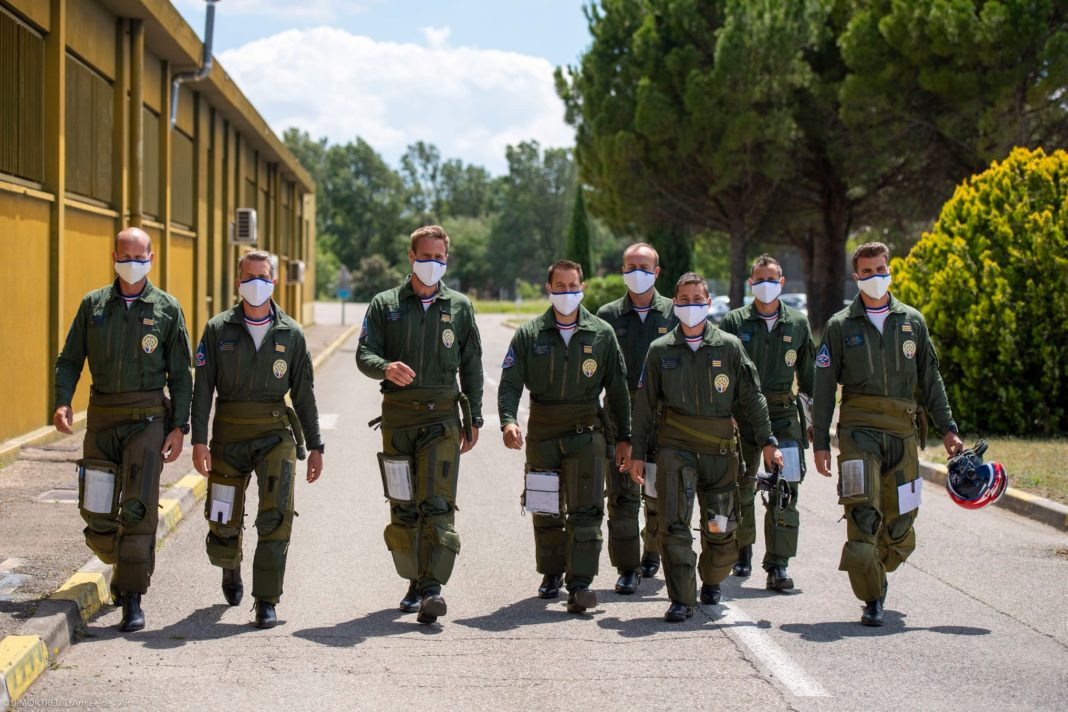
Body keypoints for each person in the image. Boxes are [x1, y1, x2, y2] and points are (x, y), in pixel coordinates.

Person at [813, 241, 963, 627]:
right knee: (862, 510)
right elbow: (824, 387)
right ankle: (872, 597)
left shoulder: (912, 321)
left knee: (902, 521)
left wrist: (948, 429)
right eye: (867, 271)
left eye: (881, 269)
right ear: (856, 277)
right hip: (858, 433)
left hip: (902, 432)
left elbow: (931, 380)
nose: (876, 277)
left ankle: (877, 566)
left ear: (889, 270)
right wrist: (821, 442)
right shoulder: (839, 326)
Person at [54, 227, 192, 632]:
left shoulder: (167, 309)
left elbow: (181, 375)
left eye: (140, 257)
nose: (133, 263)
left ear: (152, 258)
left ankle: (132, 596)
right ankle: (123, 562)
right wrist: (63, 401)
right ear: (114, 256)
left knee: (137, 509)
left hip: (147, 422)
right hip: (102, 419)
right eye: (126, 256)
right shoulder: (93, 305)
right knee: (96, 513)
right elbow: (69, 359)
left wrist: (179, 426)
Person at [630, 272, 782, 622]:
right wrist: (638, 453)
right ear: (674, 304)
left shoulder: (729, 346)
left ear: (709, 303)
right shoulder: (660, 350)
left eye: (698, 299)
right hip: (675, 449)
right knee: (674, 526)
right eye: (684, 300)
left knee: (721, 526)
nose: (691, 306)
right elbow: (645, 406)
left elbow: (753, 398)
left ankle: (712, 580)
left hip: (720, 453)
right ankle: (681, 598)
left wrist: (768, 441)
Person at [356, 225, 484, 625]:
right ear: (411, 257)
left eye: (439, 258)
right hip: (398, 420)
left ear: (447, 259)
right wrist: (385, 367)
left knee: (438, 503)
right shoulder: (385, 304)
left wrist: (474, 417)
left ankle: (432, 588)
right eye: (425, 257)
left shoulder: (460, 307)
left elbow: (472, 365)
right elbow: (364, 353)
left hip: (442, 418)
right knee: (404, 503)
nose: (432, 263)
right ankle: (412, 582)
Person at [191, 250, 324, 629]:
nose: (256, 284)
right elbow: (203, 390)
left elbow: (304, 395)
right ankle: (229, 566)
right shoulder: (218, 329)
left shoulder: (291, 333)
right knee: (223, 517)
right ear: (238, 282)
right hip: (228, 435)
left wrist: (316, 445)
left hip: (274, 434)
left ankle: (266, 599)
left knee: (276, 515)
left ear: (274, 282)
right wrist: (198, 440)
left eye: (263, 277)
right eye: (249, 277)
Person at [499, 260, 631, 614]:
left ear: (582, 288)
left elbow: (618, 391)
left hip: (587, 434)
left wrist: (625, 436)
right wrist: (508, 421)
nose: (567, 292)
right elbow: (510, 385)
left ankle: (581, 584)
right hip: (543, 433)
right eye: (560, 286)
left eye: (573, 286)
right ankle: (552, 573)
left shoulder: (602, 334)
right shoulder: (529, 335)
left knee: (586, 510)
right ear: (549, 289)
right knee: (545, 509)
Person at [720, 254, 815, 591]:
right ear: (751, 283)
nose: (765, 285)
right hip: (743, 416)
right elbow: (721, 372)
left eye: (771, 279)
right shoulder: (734, 322)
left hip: (784, 415)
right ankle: (742, 551)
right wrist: (724, 413)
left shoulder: (798, 323)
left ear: (782, 282)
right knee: (741, 485)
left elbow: (809, 378)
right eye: (759, 280)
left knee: (785, 488)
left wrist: (812, 421)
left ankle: (778, 565)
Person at [595, 242, 677, 593]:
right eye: (631, 266)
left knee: (658, 493)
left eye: (644, 267)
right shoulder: (608, 315)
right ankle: (627, 567)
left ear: (657, 272)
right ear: (622, 270)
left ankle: (652, 550)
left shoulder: (675, 312)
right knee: (622, 496)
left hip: (663, 417)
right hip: (620, 414)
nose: (637, 273)